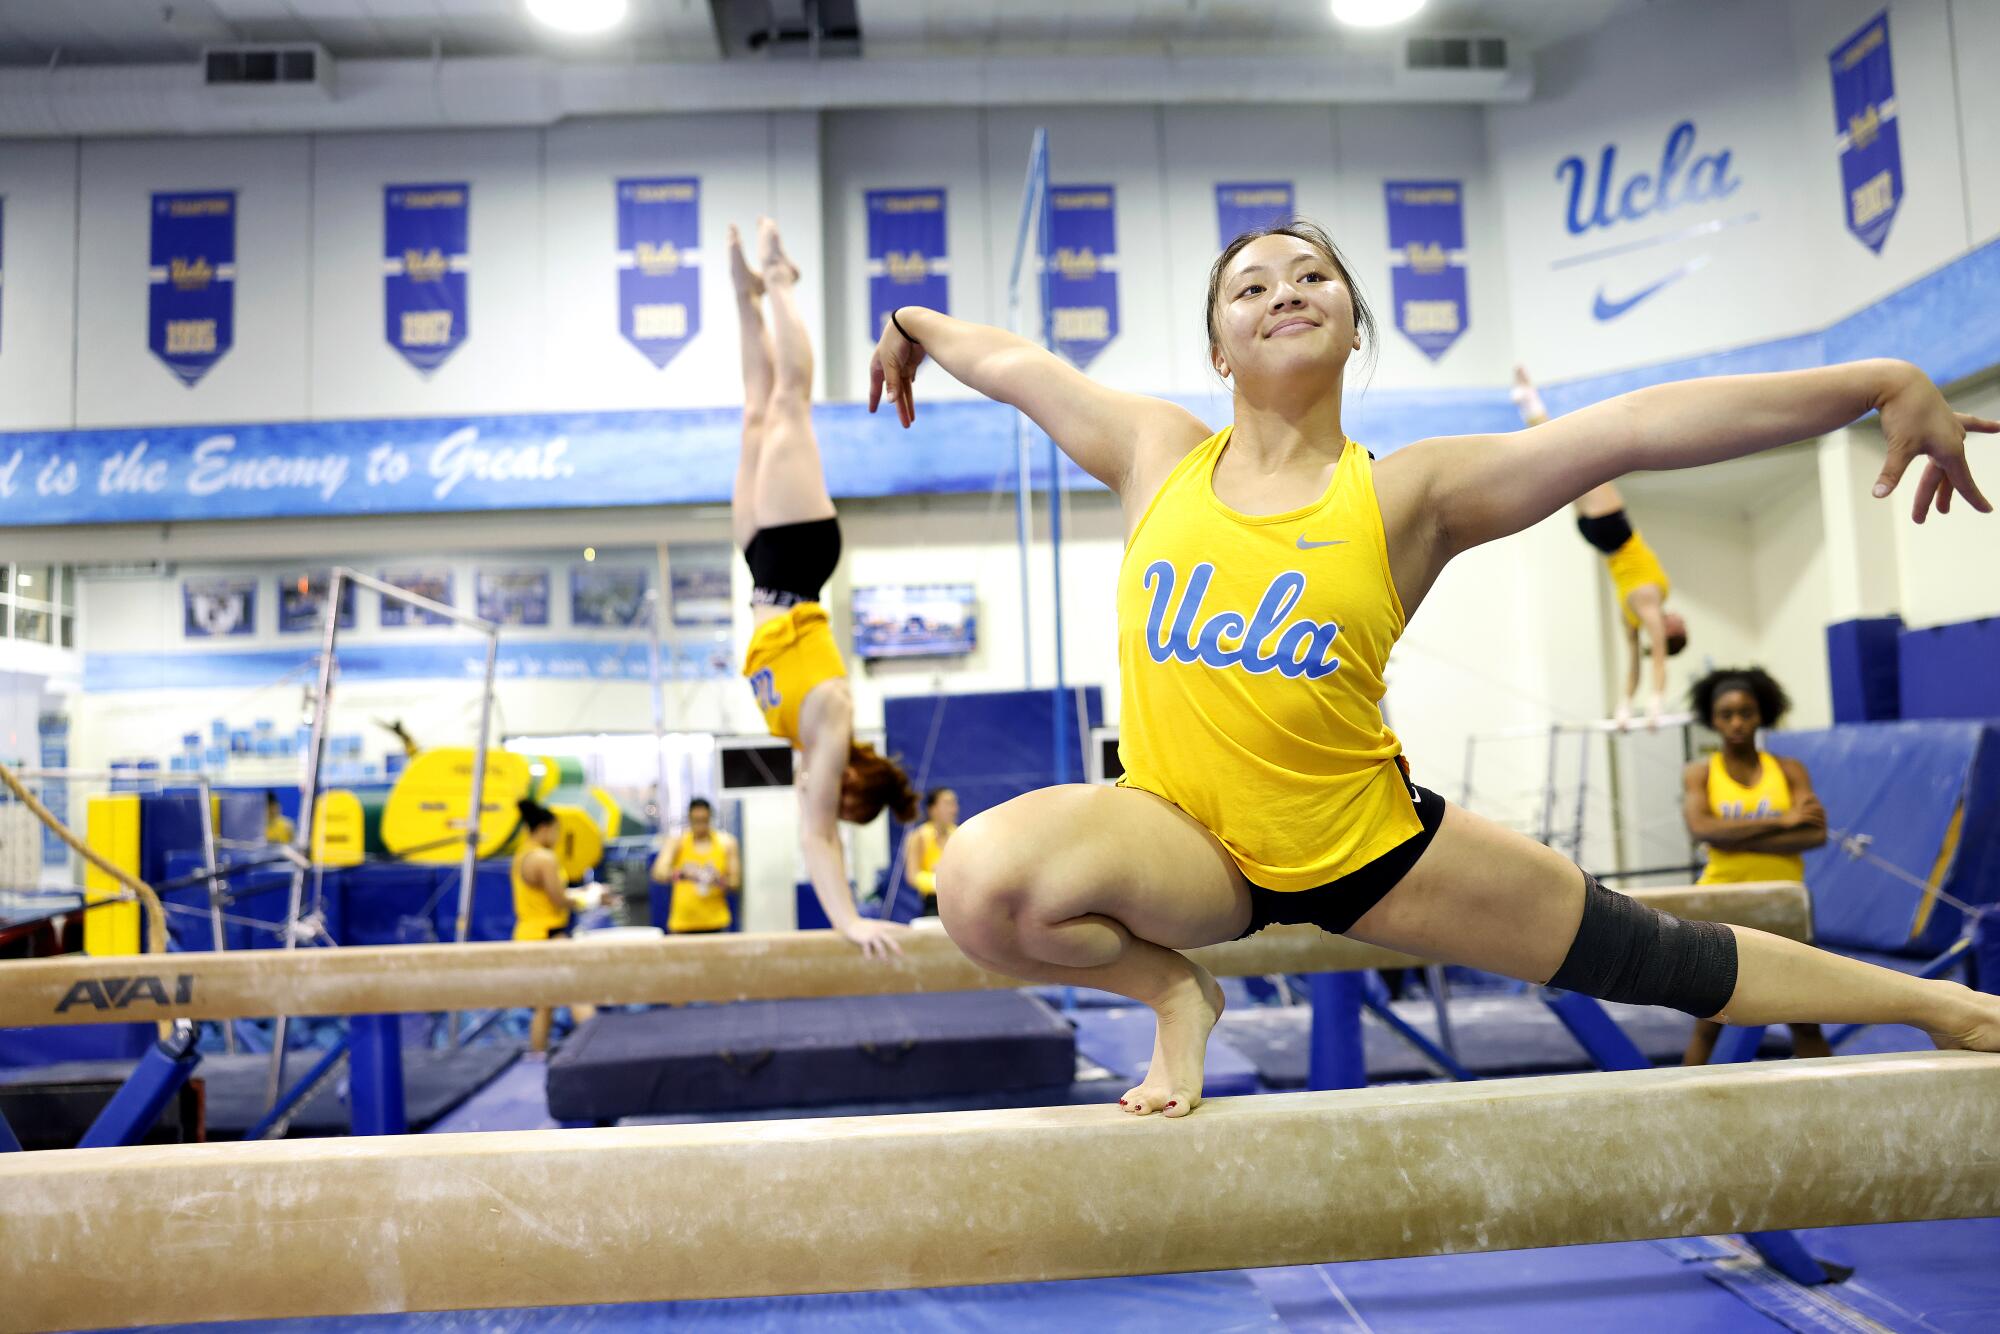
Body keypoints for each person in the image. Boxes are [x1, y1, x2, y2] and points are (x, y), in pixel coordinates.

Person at [869, 218, 2000, 1118]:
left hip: (1372, 847)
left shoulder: (1408, 493)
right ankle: (1177, 987)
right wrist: (910, 320)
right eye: (1249, 285)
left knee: (1658, 956)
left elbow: (1636, 427)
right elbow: (1016, 364)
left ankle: (1941, 1005)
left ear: (1354, 326)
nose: (1285, 291)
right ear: (1216, 348)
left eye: (1312, 274)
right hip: (1181, 837)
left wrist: (1877, 379)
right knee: (979, 880)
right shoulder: (1155, 453)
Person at [731, 217, 920, 957]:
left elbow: (815, 820)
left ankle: (747, 300)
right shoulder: (833, 721)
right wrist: (848, 921)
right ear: (855, 783)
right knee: (789, 403)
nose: (825, 802)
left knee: (754, 412)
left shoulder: (805, 741)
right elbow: (816, 838)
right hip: (800, 556)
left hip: (762, 568)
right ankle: (781, 282)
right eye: (845, 804)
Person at [1513, 365, 1688, 726]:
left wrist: (1655, 703)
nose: (1679, 619)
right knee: (1560, 463)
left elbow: (1655, 659)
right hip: (1599, 535)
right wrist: (1624, 707)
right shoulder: (1633, 618)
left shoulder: (1647, 604)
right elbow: (1634, 665)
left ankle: (1530, 401)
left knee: (1573, 454)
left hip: (1615, 531)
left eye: (1679, 627)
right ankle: (1528, 404)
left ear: (1671, 632)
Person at [1681, 667, 1833, 1062]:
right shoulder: (1700, 773)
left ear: (1761, 714)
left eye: (1745, 713)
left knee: (1806, 1017)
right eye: (1726, 714)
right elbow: (1702, 828)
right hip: (1720, 904)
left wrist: (1731, 833)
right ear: (1712, 719)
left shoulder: (1788, 770)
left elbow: (1814, 835)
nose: (1736, 723)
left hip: (1782, 906)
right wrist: (1780, 821)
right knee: (1709, 1020)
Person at [512, 798, 595, 1054]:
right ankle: (599, 1052)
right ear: (546, 828)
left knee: (545, 1004)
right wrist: (589, 898)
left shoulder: (522, 854)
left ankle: (537, 1057)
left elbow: (552, 893)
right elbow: (558, 899)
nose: (559, 837)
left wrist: (583, 892)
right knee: (578, 993)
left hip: (530, 935)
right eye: (558, 831)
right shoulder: (544, 858)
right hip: (546, 937)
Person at [653, 798, 741, 934]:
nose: (700, 826)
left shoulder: (726, 843)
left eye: (704, 821)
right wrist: (684, 874)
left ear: (710, 818)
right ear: (690, 819)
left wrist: (718, 880)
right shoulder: (677, 842)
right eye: (696, 821)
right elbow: (658, 873)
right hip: (683, 923)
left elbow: (735, 883)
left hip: (716, 922)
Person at [901, 787, 959, 917]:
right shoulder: (918, 837)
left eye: (954, 803)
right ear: (932, 809)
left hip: (958, 900)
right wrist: (937, 881)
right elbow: (912, 876)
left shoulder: (958, 834)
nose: (953, 809)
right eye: (947, 803)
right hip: (933, 903)